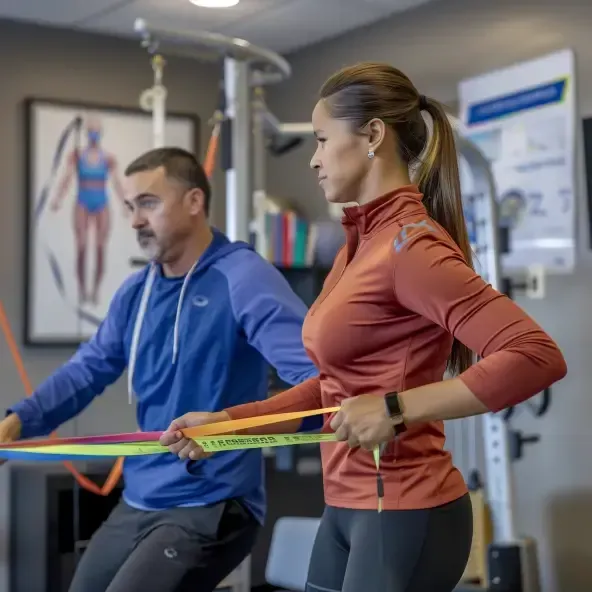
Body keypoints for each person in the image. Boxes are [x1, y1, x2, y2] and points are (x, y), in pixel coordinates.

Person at [160, 62, 568, 592]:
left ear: (373, 135)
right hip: (346, 506)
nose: (314, 157)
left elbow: (536, 354)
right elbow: (331, 393)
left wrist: (397, 408)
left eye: (324, 139)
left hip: (405, 509)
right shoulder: (357, 248)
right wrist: (226, 426)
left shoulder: (410, 247)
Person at [1, 147, 319, 592]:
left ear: (193, 201)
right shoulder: (136, 292)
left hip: (214, 500)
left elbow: (318, 379)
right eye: (130, 206)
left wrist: (232, 425)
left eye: (148, 203)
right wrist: (16, 422)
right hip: (141, 498)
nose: (134, 220)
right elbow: (87, 370)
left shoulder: (243, 277)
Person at [51, 116, 127, 306]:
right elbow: (67, 178)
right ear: (86, 133)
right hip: (82, 202)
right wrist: (58, 199)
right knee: (82, 246)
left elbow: (117, 182)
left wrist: (125, 203)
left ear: (100, 134)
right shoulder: (76, 155)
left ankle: (95, 290)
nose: (93, 134)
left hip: (101, 203)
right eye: (90, 130)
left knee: (101, 247)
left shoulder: (108, 158)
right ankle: (82, 289)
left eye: (96, 130)